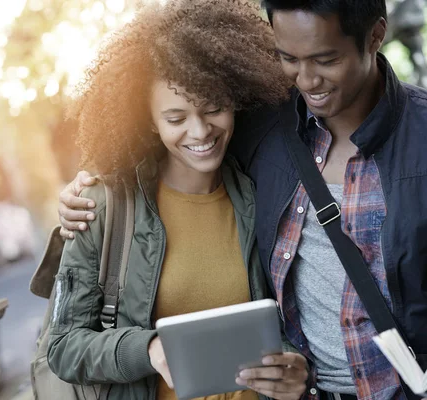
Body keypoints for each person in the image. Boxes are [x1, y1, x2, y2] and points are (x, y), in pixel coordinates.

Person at [58, 1, 427, 399]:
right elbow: (63, 344)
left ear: (375, 36)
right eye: (288, 58)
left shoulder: (246, 181)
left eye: (325, 59)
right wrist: (88, 185)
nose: (306, 80)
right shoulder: (264, 132)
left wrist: (289, 366)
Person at [47, 1, 309, 400]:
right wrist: (148, 349)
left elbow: (286, 322)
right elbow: (63, 347)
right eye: (175, 118)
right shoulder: (102, 207)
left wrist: (291, 367)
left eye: (214, 108)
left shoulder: (261, 197)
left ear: (235, 99)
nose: (200, 130)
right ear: (149, 119)